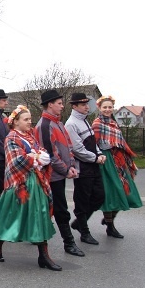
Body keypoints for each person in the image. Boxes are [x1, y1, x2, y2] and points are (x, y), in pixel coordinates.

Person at [0, 105, 60, 270]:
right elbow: (16, 161)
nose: (30, 122)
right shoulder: (11, 138)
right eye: (26, 119)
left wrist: (38, 156)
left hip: (35, 181)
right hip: (19, 183)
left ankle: (43, 255)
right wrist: (35, 158)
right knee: (13, 217)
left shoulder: (30, 136)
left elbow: (40, 151)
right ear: (15, 122)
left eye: (30, 119)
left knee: (39, 215)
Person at [35, 89, 84, 257]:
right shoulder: (45, 124)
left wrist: (70, 166)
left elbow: (67, 146)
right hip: (51, 175)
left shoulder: (58, 123)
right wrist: (65, 168)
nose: (62, 106)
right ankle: (68, 243)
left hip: (59, 173)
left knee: (58, 208)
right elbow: (49, 153)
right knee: (60, 209)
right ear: (50, 104)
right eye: (59, 103)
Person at [92, 95, 143, 238]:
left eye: (110, 107)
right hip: (106, 161)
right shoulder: (97, 124)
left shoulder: (114, 123)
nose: (107, 109)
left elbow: (122, 144)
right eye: (105, 107)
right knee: (111, 194)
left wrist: (129, 161)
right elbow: (93, 144)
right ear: (100, 108)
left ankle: (109, 220)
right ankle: (110, 226)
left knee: (125, 191)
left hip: (118, 161)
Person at [65, 92, 105, 245]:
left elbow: (93, 143)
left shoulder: (85, 121)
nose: (87, 107)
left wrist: (99, 153)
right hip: (83, 169)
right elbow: (77, 149)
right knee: (82, 200)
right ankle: (84, 232)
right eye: (83, 104)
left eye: (87, 104)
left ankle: (78, 224)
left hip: (94, 166)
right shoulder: (71, 124)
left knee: (99, 196)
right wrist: (95, 158)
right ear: (74, 106)